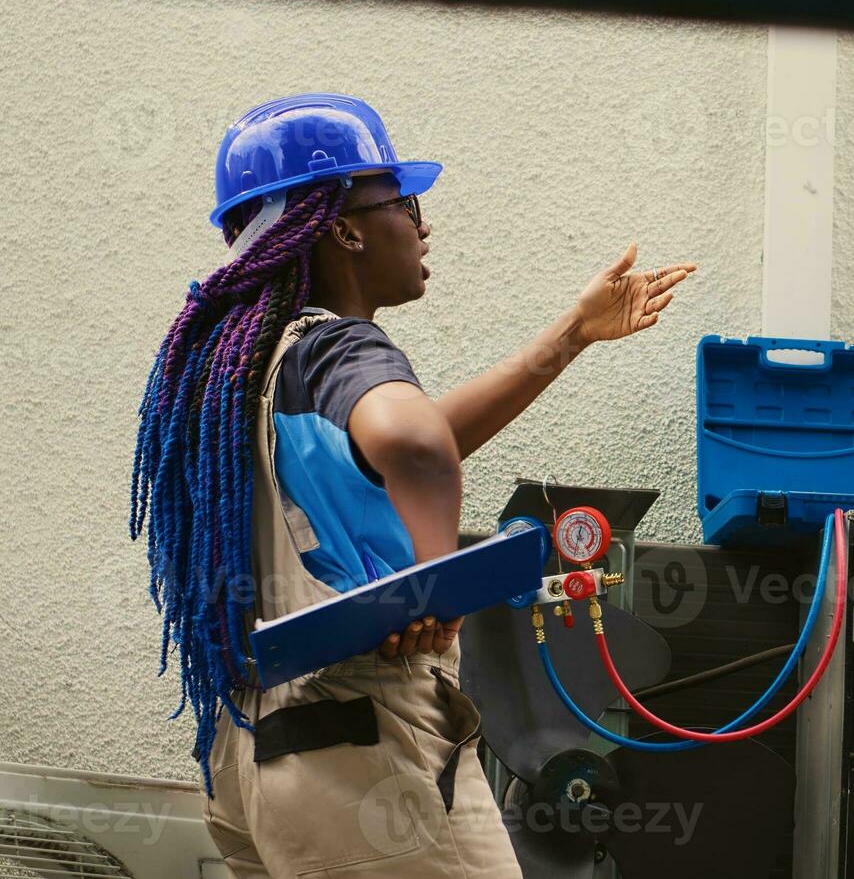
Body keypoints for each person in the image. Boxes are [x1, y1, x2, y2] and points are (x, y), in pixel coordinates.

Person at [129, 93, 697, 876]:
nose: (423, 227)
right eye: (406, 202)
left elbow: (420, 442)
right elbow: (416, 445)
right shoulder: (338, 348)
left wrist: (571, 336)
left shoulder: (242, 375)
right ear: (343, 227)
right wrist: (436, 588)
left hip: (259, 762)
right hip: (364, 753)